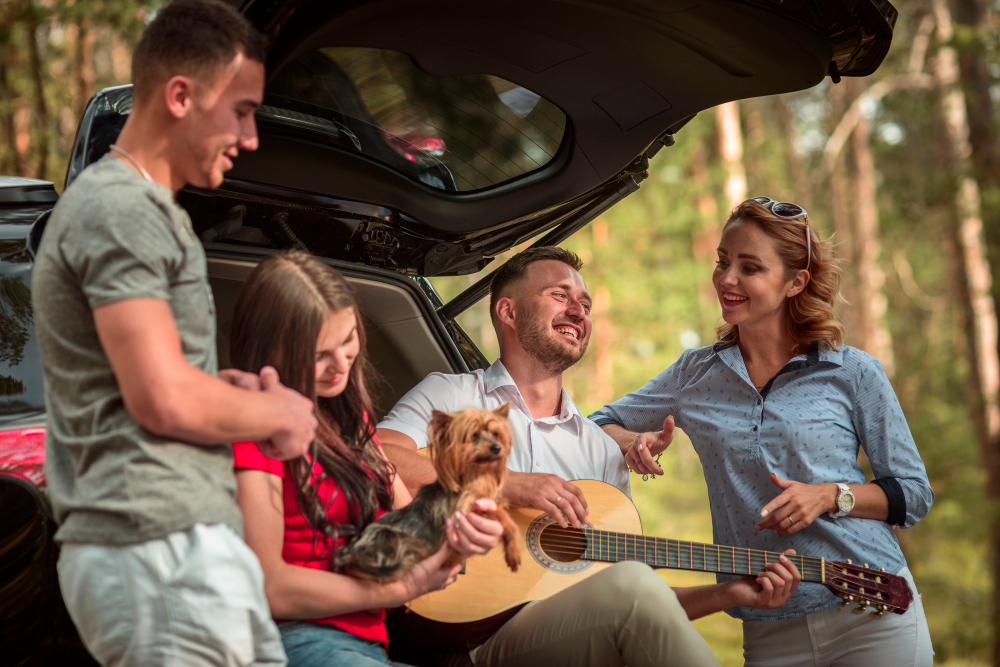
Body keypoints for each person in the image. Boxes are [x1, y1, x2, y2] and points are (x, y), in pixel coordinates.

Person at [31, 2, 318, 665]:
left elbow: (150, 382)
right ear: (181, 95)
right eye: (242, 110)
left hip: (186, 547)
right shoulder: (118, 208)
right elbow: (160, 397)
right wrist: (273, 409)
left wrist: (224, 390)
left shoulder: (147, 212)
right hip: (156, 545)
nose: (250, 138)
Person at [378, 246, 802, 667]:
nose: (579, 312)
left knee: (633, 581)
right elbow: (376, 456)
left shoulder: (599, 449)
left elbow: (637, 597)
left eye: (585, 304)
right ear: (508, 312)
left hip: (554, 636)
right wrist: (506, 483)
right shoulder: (450, 394)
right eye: (560, 296)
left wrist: (726, 593)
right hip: (454, 631)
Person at [592, 197, 935, 667]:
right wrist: (630, 440)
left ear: (795, 282)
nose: (726, 279)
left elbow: (913, 494)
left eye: (749, 267)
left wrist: (831, 496)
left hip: (871, 608)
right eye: (722, 261)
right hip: (768, 626)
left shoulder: (852, 371)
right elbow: (593, 425)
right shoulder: (693, 374)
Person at [229, 251, 506, 667]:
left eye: (347, 341)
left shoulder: (352, 422)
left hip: (368, 643)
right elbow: (269, 585)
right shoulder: (251, 423)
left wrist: (463, 538)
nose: (340, 365)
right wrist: (396, 591)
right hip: (293, 638)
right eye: (319, 354)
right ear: (271, 348)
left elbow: (414, 520)